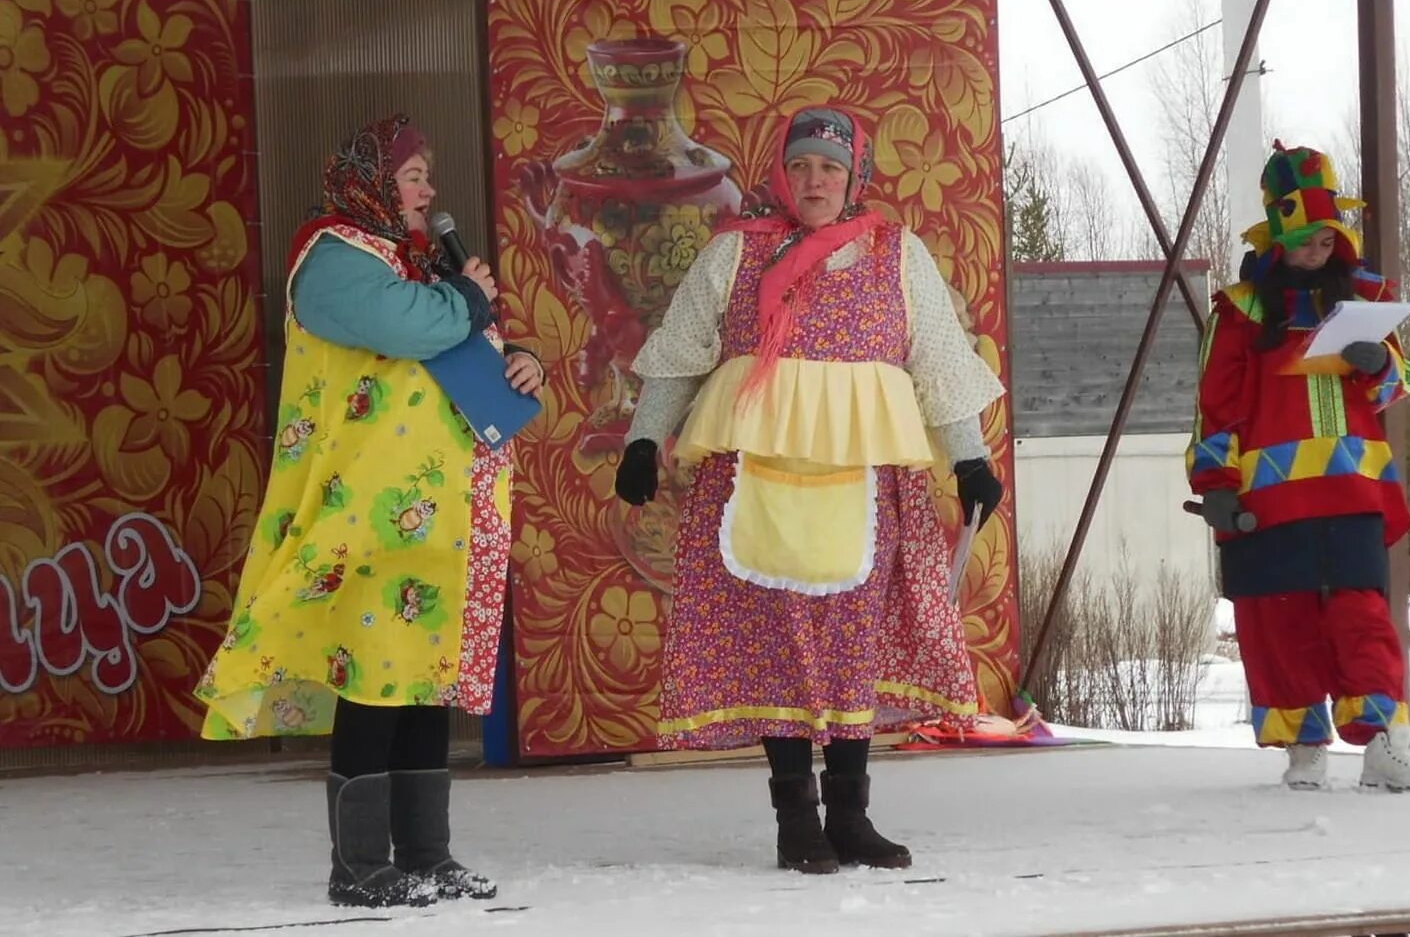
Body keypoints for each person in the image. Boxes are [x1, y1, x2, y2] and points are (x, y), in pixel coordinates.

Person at [613, 107, 1006, 873]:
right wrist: (640, 439)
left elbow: (938, 365)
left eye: (828, 167)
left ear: (854, 174)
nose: (814, 180)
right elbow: (679, 355)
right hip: (754, 474)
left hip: (862, 481)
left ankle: (851, 815)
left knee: (853, 641)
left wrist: (968, 458)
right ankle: (797, 817)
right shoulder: (734, 256)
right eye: (799, 167)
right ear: (780, 176)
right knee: (775, 642)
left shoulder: (897, 254)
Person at [196, 115, 546, 906]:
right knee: (375, 678)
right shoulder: (333, 259)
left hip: (438, 510)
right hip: (370, 512)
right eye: (414, 175)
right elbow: (407, 327)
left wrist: (522, 359)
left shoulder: (414, 264)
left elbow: (467, 343)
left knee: (423, 682)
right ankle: (357, 865)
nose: (428, 191)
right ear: (371, 180)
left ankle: (425, 853)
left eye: (426, 176)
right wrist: (463, 297)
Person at [1187, 141, 1410, 794]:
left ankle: (1383, 742)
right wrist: (1213, 484)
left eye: (1326, 241)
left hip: (1352, 488)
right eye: (1304, 242)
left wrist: (1377, 364)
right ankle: (1302, 746)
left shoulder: (1362, 303)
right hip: (1267, 498)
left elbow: (1397, 385)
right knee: (1277, 621)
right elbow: (1215, 409)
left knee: (1361, 618)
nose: (1317, 253)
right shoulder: (1241, 313)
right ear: (1275, 240)